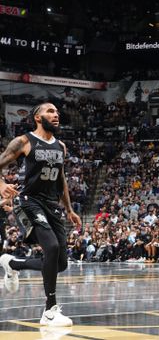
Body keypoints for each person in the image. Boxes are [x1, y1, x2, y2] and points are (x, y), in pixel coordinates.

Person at [0, 103, 81, 327]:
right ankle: (49, 311)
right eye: (50, 112)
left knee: (61, 263)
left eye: (56, 112)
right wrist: (0, 184)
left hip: (51, 205)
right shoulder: (24, 141)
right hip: (29, 202)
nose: (56, 115)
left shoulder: (61, 146)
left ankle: (13, 264)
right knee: (52, 248)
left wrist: (70, 209)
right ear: (37, 117)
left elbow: (61, 179)